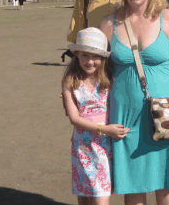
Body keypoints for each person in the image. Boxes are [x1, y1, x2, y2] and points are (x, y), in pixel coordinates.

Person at [99, 0, 169, 205]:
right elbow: (98, 71)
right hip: (125, 113)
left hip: (165, 110)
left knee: (167, 180)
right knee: (134, 182)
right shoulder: (109, 24)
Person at [61, 27, 129, 205]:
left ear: (103, 57)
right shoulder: (70, 79)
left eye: (95, 56)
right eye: (84, 55)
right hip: (82, 146)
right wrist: (103, 129)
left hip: (105, 147)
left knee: (100, 198)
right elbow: (74, 119)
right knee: (84, 197)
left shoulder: (110, 77)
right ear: (77, 55)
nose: (90, 61)